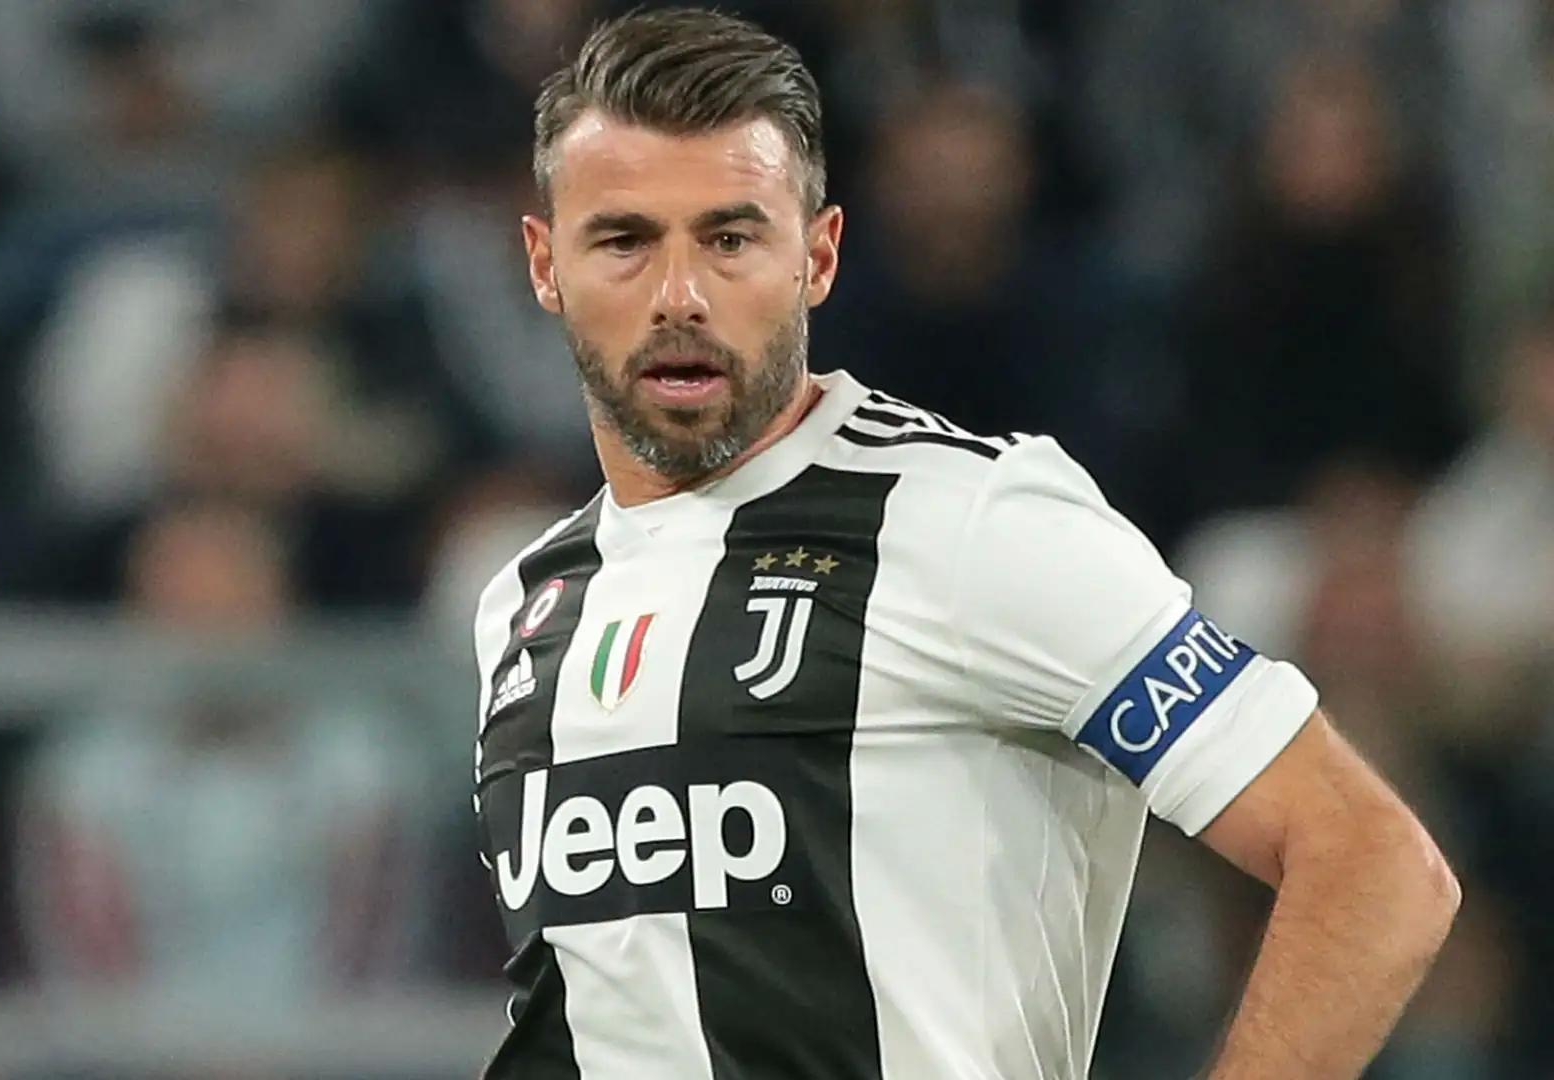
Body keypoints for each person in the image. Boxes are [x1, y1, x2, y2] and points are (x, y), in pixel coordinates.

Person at [469, 9, 1458, 1078]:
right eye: (624, 240)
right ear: (545, 264)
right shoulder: (524, 605)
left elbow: (1373, 865)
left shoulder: (978, 524)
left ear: (818, 255)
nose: (680, 297)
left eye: (731, 239)